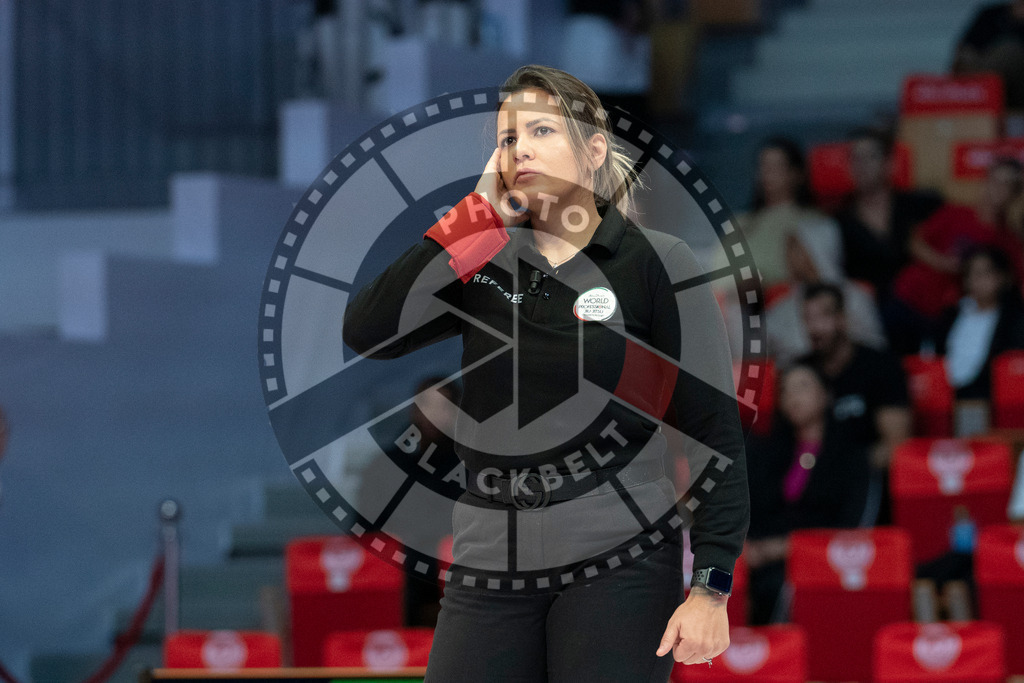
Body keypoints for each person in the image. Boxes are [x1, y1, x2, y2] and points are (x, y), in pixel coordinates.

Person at [342, 64, 748, 681]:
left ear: (591, 151)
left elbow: (713, 430)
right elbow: (368, 331)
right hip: (488, 554)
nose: (519, 148)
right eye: (507, 139)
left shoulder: (657, 262)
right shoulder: (481, 257)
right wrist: (471, 218)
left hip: (620, 557)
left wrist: (710, 587)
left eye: (540, 130)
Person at [744, 362, 871, 624]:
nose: (793, 397)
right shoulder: (765, 450)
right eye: (786, 390)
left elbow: (849, 525)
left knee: (778, 586)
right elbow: (750, 511)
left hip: (822, 562)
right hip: (759, 558)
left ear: (825, 395)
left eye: (802, 387)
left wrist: (783, 549)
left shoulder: (850, 456)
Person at [797, 283, 911, 525]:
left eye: (823, 317)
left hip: (863, 477)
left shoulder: (879, 366)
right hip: (809, 476)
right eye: (808, 318)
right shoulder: (801, 371)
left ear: (842, 319)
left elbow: (896, 444)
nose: (814, 328)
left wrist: (846, 466)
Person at [353, 376, 462, 628]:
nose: (433, 416)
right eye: (425, 406)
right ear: (414, 411)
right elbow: (363, 528)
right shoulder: (386, 467)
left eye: (443, 407)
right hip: (401, 570)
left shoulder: (474, 469)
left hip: (456, 567)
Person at [889, 157, 1024, 354]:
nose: (1000, 189)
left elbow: (1015, 282)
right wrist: (943, 263)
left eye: (1008, 185)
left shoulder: (1010, 242)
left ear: (1015, 193)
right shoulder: (955, 213)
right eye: (996, 181)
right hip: (909, 301)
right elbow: (915, 243)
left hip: (952, 319)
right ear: (985, 182)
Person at [835, 128, 943, 298]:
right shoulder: (839, 221)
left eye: (871, 157)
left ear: (888, 163)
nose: (862, 165)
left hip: (925, 305)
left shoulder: (921, 205)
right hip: (868, 311)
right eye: (856, 158)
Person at [765, 219, 887, 368]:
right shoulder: (783, 306)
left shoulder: (856, 297)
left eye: (797, 248)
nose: (789, 255)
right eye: (788, 248)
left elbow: (875, 347)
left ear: (818, 248)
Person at [738, 137, 843, 290]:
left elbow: (824, 274)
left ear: (797, 173)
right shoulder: (741, 222)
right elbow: (721, 278)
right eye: (763, 166)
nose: (767, 174)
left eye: (776, 167)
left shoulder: (817, 221)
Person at [936, 244, 1024, 400]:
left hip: (992, 396)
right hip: (947, 394)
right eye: (971, 274)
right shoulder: (952, 314)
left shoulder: (1014, 318)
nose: (977, 280)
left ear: (1003, 277)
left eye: (985, 273)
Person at [952, 0, 1024, 110]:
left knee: (1010, 52)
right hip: (983, 82)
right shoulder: (991, 15)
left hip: (1016, 94)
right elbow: (964, 53)